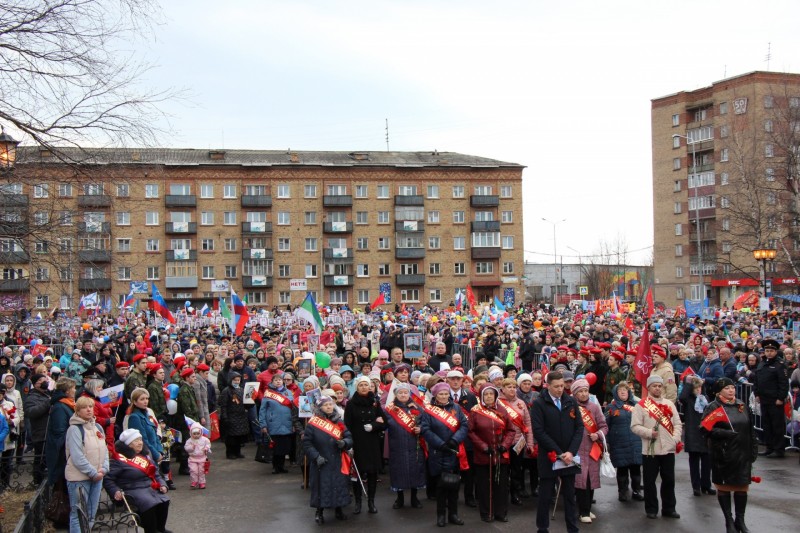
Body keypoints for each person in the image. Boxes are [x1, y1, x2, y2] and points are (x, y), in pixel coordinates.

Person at [701, 377, 758, 533]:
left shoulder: (741, 405)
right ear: (720, 391)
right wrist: (725, 433)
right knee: (725, 488)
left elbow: (751, 429)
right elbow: (705, 429)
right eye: (727, 388)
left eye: (732, 387)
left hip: (742, 453)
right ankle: (729, 521)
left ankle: (740, 520)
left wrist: (753, 448)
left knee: (742, 488)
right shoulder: (713, 407)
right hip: (723, 454)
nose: (731, 390)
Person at [531, 370, 583, 533]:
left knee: (569, 495)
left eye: (562, 385)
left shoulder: (570, 401)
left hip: (569, 456)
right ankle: (542, 527)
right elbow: (539, 431)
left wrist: (571, 451)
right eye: (556, 387)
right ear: (548, 386)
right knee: (545, 495)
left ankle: (572, 528)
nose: (560, 389)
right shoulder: (539, 403)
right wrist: (559, 452)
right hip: (550, 456)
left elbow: (579, 427)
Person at [630, 375, 683, 520]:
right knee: (649, 481)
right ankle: (651, 508)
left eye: (660, 386)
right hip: (650, 449)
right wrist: (648, 433)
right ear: (649, 387)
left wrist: (675, 438)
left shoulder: (669, 404)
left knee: (669, 480)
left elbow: (678, 423)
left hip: (668, 448)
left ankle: (669, 508)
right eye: (654, 386)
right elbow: (634, 426)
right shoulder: (641, 405)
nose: (658, 388)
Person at [419, 381, 468, 527]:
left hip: (454, 450)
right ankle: (441, 515)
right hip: (438, 451)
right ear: (435, 395)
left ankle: (453, 514)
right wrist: (440, 444)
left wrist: (454, 440)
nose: (444, 396)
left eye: (446, 393)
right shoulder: (428, 410)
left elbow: (464, 425)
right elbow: (425, 429)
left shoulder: (457, 408)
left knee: (454, 485)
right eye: (441, 394)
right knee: (441, 486)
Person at [105, 429, 171, 533]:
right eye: (136, 440)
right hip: (131, 488)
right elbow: (108, 479)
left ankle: (160, 528)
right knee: (148, 503)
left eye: (140, 439)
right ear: (128, 444)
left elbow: (156, 473)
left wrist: (163, 484)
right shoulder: (119, 459)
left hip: (150, 486)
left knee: (164, 500)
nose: (140, 442)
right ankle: (151, 530)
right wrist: (115, 491)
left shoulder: (145, 455)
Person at [303, 396, 353, 524]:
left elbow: (349, 437)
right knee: (321, 487)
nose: (329, 407)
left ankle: (339, 510)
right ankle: (319, 512)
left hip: (338, 460)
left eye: (330, 404)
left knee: (339, 485)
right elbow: (307, 444)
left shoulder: (339, 421)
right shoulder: (313, 423)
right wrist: (316, 457)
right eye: (326, 405)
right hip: (321, 461)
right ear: (320, 408)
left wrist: (345, 443)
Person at [469, 383, 515, 523]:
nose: (489, 397)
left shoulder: (502, 410)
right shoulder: (475, 411)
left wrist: (504, 445)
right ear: (482, 396)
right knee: (484, 486)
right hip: (484, 455)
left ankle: (501, 512)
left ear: (495, 395)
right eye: (486, 394)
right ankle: (486, 512)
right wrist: (483, 446)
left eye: (491, 394)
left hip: (500, 455)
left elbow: (511, 431)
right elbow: (470, 432)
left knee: (501, 485)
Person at [65, 395, 110, 533]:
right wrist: (92, 472)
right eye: (84, 407)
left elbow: (105, 449)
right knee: (78, 514)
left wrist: (104, 468)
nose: (89, 410)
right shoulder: (74, 429)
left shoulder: (97, 427)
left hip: (97, 476)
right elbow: (77, 456)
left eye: (90, 407)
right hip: (79, 478)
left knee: (91, 514)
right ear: (77, 411)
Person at [344, 375, 385, 514]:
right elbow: (347, 425)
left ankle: (371, 502)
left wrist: (373, 426)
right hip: (357, 442)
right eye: (361, 385)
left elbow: (383, 422)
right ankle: (358, 502)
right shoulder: (351, 404)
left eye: (366, 385)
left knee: (372, 473)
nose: (364, 387)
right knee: (357, 474)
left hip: (372, 442)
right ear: (357, 387)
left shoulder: (375, 402)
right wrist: (349, 444)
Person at [572, 377, 608, 523]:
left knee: (591, 480)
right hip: (577, 449)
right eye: (580, 391)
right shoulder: (571, 406)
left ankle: (587, 509)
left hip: (593, 449)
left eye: (586, 391)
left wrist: (598, 434)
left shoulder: (594, 407)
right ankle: (583, 511)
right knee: (581, 481)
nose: (584, 394)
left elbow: (604, 426)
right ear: (575, 393)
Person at [384, 382, 426, 509]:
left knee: (415, 470)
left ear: (409, 394)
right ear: (396, 394)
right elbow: (384, 424)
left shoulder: (418, 408)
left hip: (415, 445)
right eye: (400, 393)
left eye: (405, 392)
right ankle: (399, 498)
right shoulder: (389, 409)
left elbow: (425, 422)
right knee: (398, 471)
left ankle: (414, 497)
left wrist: (421, 428)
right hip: (397, 445)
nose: (403, 395)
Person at [497, 377, 534, 506]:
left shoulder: (521, 403)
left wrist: (530, 443)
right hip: (503, 443)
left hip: (518, 443)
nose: (512, 389)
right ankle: (502, 495)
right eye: (509, 387)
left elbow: (527, 424)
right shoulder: (498, 403)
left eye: (514, 387)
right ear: (503, 389)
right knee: (503, 470)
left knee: (516, 470)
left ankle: (515, 494)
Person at [604, 382, 643, 502]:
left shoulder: (636, 405)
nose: (623, 392)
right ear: (616, 393)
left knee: (636, 468)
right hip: (619, 443)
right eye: (620, 390)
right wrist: (608, 442)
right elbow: (606, 425)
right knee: (622, 469)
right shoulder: (611, 408)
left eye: (625, 390)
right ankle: (623, 492)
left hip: (635, 441)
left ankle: (636, 491)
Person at [753, 339, 789, 458]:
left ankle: (779, 449)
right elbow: (757, 380)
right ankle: (769, 447)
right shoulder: (762, 363)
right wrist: (756, 394)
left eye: (771, 351)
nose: (769, 353)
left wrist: (780, 398)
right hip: (764, 399)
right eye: (767, 350)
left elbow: (783, 384)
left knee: (777, 425)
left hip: (775, 400)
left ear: (775, 351)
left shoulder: (780, 365)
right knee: (766, 424)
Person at [679, 375, 714, 496]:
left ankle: (706, 485)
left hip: (705, 433)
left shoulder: (705, 399)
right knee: (694, 462)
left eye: (700, 387)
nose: (698, 390)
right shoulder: (688, 399)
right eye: (696, 388)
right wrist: (688, 383)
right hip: (693, 433)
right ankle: (696, 486)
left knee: (707, 462)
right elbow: (682, 397)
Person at [258, 372, 299, 474]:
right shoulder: (268, 393)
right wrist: (263, 424)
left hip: (287, 422)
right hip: (273, 423)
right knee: (275, 447)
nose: (278, 382)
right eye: (276, 380)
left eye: (280, 380)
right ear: (272, 382)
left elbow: (293, 408)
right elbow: (262, 410)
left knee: (284, 446)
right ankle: (275, 467)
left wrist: (294, 424)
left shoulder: (288, 393)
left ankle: (282, 466)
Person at [45, 377, 78, 486]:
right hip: (62, 453)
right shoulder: (60, 406)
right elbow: (59, 432)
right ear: (67, 390)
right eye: (74, 388)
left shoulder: (68, 404)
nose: (75, 390)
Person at [24, 373, 51, 484]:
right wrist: (47, 403)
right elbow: (31, 412)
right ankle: (37, 482)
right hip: (40, 433)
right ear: (35, 384)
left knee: (47, 460)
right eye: (41, 380)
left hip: (49, 432)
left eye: (45, 379)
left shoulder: (47, 394)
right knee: (40, 460)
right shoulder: (32, 397)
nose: (44, 381)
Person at [126, 388, 164, 464]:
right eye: (142, 399)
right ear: (135, 402)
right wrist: (156, 455)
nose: (145, 401)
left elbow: (155, 435)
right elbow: (143, 440)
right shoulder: (135, 417)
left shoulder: (147, 415)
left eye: (147, 398)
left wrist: (160, 451)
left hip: (154, 455)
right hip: (145, 456)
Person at [218, 372, 250, 459]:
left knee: (239, 437)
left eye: (238, 380)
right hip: (231, 416)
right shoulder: (226, 391)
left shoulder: (242, 390)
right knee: (231, 437)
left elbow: (246, 403)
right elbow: (223, 405)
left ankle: (238, 452)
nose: (236, 382)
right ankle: (230, 453)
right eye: (235, 380)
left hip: (241, 416)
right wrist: (224, 417)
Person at [184, 422, 211, 489]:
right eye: (194, 434)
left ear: (201, 433)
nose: (196, 435)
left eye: (198, 433)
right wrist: (191, 448)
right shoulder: (189, 441)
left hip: (202, 458)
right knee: (193, 470)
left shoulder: (204, 439)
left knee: (201, 471)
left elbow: (208, 444)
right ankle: (194, 481)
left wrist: (206, 448)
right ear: (191, 433)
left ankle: (202, 482)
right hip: (192, 458)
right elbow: (186, 447)